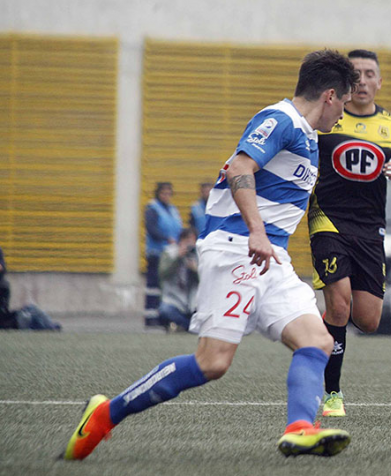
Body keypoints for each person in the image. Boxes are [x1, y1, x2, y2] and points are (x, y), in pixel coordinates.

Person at [61, 49, 360, 461]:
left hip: (271, 259)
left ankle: (300, 428)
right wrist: (256, 230)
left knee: (318, 341)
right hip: (237, 249)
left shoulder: (308, 137)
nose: (343, 114)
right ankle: (104, 415)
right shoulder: (281, 120)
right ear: (330, 95)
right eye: (344, 102)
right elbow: (239, 167)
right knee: (212, 362)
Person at [308, 49, 391, 418]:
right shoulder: (327, 118)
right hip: (329, 220)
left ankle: (316, 332)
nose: (362, 81)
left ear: (379, 81)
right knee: (339, 305)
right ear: (344, 82)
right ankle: (331, 392)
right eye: (355, 74)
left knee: (368, 320)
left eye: (370, 74)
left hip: (371, 229)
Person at [144, 182, 183, 327]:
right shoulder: (152, 208)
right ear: (158, 193)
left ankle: (162, 317)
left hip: (171, 253)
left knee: (166, 287)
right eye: (163, 193)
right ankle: (150, 317)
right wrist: (165, 238)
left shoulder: (172, 209)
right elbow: (151, 229)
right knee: (153, 287)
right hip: (157, 253)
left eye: (168, 193)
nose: (166, 196)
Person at [158, 227, 200, 332]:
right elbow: (163, 273)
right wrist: (177, 258)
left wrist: (196, 270)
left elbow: (208, 282)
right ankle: (188, 327)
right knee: (165, 311)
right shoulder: (170, 253)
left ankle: (182, 326)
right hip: (175, 300)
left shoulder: (200, 255)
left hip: (194, 303)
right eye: (187, 241)